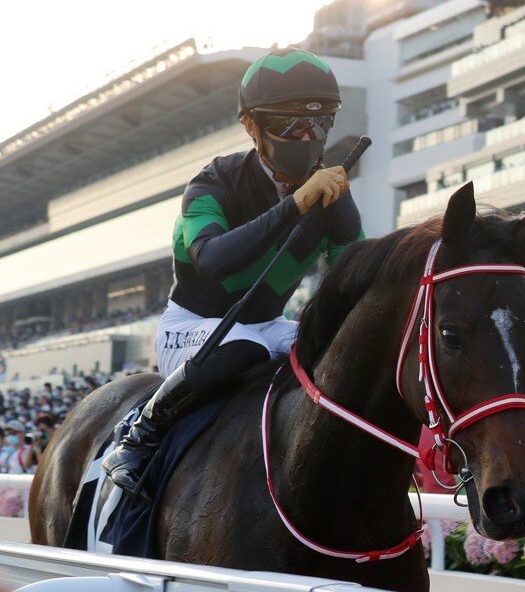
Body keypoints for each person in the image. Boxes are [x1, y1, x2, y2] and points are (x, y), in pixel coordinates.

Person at [101, 48, 361, 501]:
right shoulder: (212, 184)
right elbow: (215, 258)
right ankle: (139, 435)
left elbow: (356, 281)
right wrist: (296, 204)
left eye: (320, 123)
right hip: (193, 327)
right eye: (289, 124)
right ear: (251, 126)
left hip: (268, 326)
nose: (307, 136)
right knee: (243, 348)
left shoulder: (334, 198)